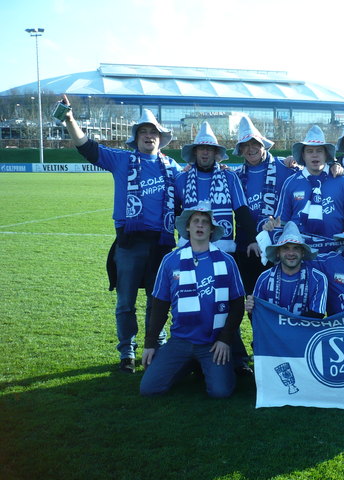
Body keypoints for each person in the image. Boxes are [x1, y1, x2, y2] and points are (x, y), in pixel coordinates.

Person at [58, 95, 180, 373]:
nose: (149, 136)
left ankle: (155, 348)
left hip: (161, 245)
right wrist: (70, 120)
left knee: (156, 300)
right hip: (129, 242)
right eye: (144, 132)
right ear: (136, 138)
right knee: (125, 302)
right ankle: (127, 352)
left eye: (154, 132)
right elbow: (87, 148)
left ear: (161, 139)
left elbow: (194, 187)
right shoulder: (122, 160)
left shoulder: (172, 167)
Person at [140, 201, 245, 397]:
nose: (200, 225)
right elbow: (160, 304)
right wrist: (150, 343)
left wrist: (225, 339)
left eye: (205, 222)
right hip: (181, 340)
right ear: (187, 227)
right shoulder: (171, 260)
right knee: (149, 388)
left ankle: (208, 365)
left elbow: (238, 304)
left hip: (213, 342)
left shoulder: (226, 261)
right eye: (195, 221)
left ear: (211, 230)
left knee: (220, 392)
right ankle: (188, 364)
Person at [175, 121, 257, 375]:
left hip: (223, 251)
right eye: (201, 149)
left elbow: (242, 211)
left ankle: (237, 356)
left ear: (217, 154)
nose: (205, 153)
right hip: (191, 252)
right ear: (195, 152)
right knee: (197, 301)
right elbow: (176, 214)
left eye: (210, 150)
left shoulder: (229, 177)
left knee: (227, 303)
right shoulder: (181, 179)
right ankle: (194, 356)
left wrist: (251, 238)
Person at [231, 116, 300, 293]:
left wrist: (334, 164)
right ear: (240, 150)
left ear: (263, 145)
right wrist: (254, 240)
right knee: (252, 299)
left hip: (279, 245)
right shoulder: (235, 176)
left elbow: (315, 168)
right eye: (245, 145)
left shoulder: (285, 167)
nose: (250, 148)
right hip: (247, 246)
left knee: (280, 294)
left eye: (254, 143)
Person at [265, 125, 344, 252]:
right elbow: (282, 221)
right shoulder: (291, 183)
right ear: (303, 155)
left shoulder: (342, 182)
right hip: (300, 254)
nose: (315, 155)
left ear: (326, 154)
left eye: (319, 151)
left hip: (336, 254)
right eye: (310, 151)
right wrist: (271, 223)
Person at [246, 221, 328, 318]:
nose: (291, 253)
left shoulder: (318, 278)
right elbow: (257, 317)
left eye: (296, 248)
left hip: (304, 333)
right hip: (273, 333)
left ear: (303, 253)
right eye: (285, 248)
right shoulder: (264, 277)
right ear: (278, 253)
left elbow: (317, 315)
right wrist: (251, 309)